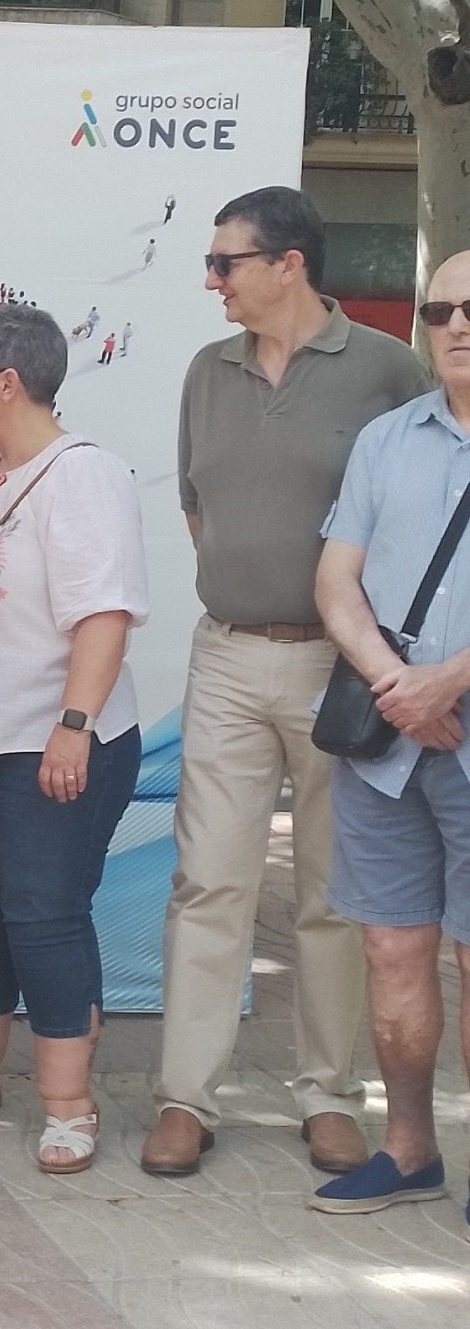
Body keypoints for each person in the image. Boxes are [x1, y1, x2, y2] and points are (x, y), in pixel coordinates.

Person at [142, 186, 431, 1178]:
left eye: (226, 262)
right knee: (206, 883)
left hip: (343, 666)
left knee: (332, 892)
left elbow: (427, 512)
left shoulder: (389, 369)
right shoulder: (205, 372)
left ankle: (327, 1098)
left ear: (288, 265)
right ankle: (185, 1096)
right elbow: (196, 506)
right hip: (224, 653)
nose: (210, 280)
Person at [0, 304, 148, 1173]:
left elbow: (104, 612)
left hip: (52, 736)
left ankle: (67, 1103)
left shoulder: (81, 474)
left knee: (43, 914)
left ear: (6, 381)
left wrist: (73, 725)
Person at [308, 250, 470, 1216]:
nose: (457, 325)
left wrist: (447, 676)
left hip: (441, 700)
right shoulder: (386, 438)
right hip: (390, 732)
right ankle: (408, 1151)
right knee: (391, 949)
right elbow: (337, 580)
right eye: (442, 308)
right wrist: (393, 682)